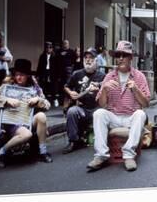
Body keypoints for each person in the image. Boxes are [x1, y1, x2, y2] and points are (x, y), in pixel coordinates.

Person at [86, 41, 151, 172]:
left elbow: (146, 104)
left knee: (141, 114)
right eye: (118, 55)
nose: (120, 58)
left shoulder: (139, 76)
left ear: (130, 58)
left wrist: (136, 90)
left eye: (124, 55)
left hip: (130, 118)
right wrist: (104, 89)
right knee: (98, 113)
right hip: (114, 117)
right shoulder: (109, 76)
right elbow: (102, 104)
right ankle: (101, 155)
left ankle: (128, 155)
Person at [0, 59, 52, 168]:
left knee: (41, 116)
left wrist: (38, 100)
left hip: (26, 120)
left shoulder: (34, 88)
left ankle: (43, 151)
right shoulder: (6, 87)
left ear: (27, 76)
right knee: (27, 134)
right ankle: (2, 151)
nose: (19, 77)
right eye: (17, 74)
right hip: (10, 123)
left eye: (22, 75)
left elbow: (47, 104)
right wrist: (6, 100)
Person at [62, 48, 105, 154]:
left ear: (96, 60)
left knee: (101, 113)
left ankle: (102, 142)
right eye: (86, 58)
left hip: (97, 108)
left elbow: (108, 94)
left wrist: (99, 89)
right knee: (72, 111)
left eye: (91, 58)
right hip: (82, 108)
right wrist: (70, 93)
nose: (88, 60)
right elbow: (66, 86)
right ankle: (73, 141)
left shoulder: (102, 76)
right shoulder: (77, 74)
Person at [36, 41, 57, 105]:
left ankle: (54, 99)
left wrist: (58, 75)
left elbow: (58, 66)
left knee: (53, 86)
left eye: (50, 48)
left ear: (52, 49)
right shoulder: (42, 56)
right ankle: (44, 100)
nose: (48, 49)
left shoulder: (55, 56)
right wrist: (37, 75)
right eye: (47, 48)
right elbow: (39, 66)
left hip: (52, 72)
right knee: (43, 85)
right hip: (44, 72)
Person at [57, 40, 76, 105]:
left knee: (68, 86)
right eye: (64, 43)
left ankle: (68, 101)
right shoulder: (59, 51)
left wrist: (71, 69)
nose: (65, 45)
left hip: (68, 70)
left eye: (66, 43)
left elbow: (74, 61)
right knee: (61, 86)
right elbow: (56, 61)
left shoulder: (72, 51)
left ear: (68, 44)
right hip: (60, 71)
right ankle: (61, 101)